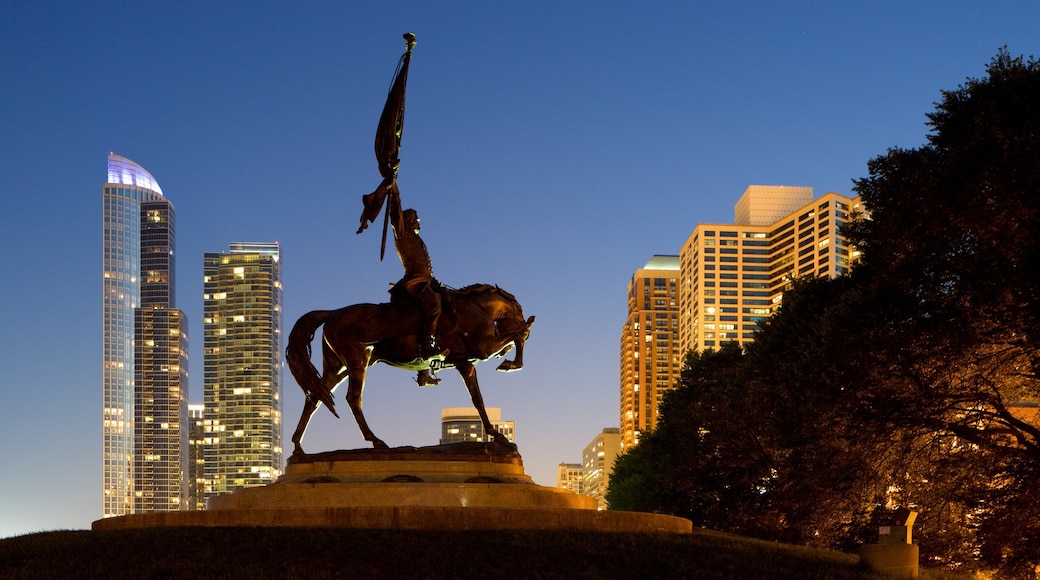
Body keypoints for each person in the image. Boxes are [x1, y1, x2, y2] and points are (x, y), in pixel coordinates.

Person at [387, 191, 443, 365]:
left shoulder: (417, 239)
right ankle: (426, 345)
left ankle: (424, 371)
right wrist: (393, 188)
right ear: (408, 220)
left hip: (428, 281)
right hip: (414, 282)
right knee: (433, 305)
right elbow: (395, 212)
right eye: (415, 218)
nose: (418, 222)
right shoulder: (402, 235)